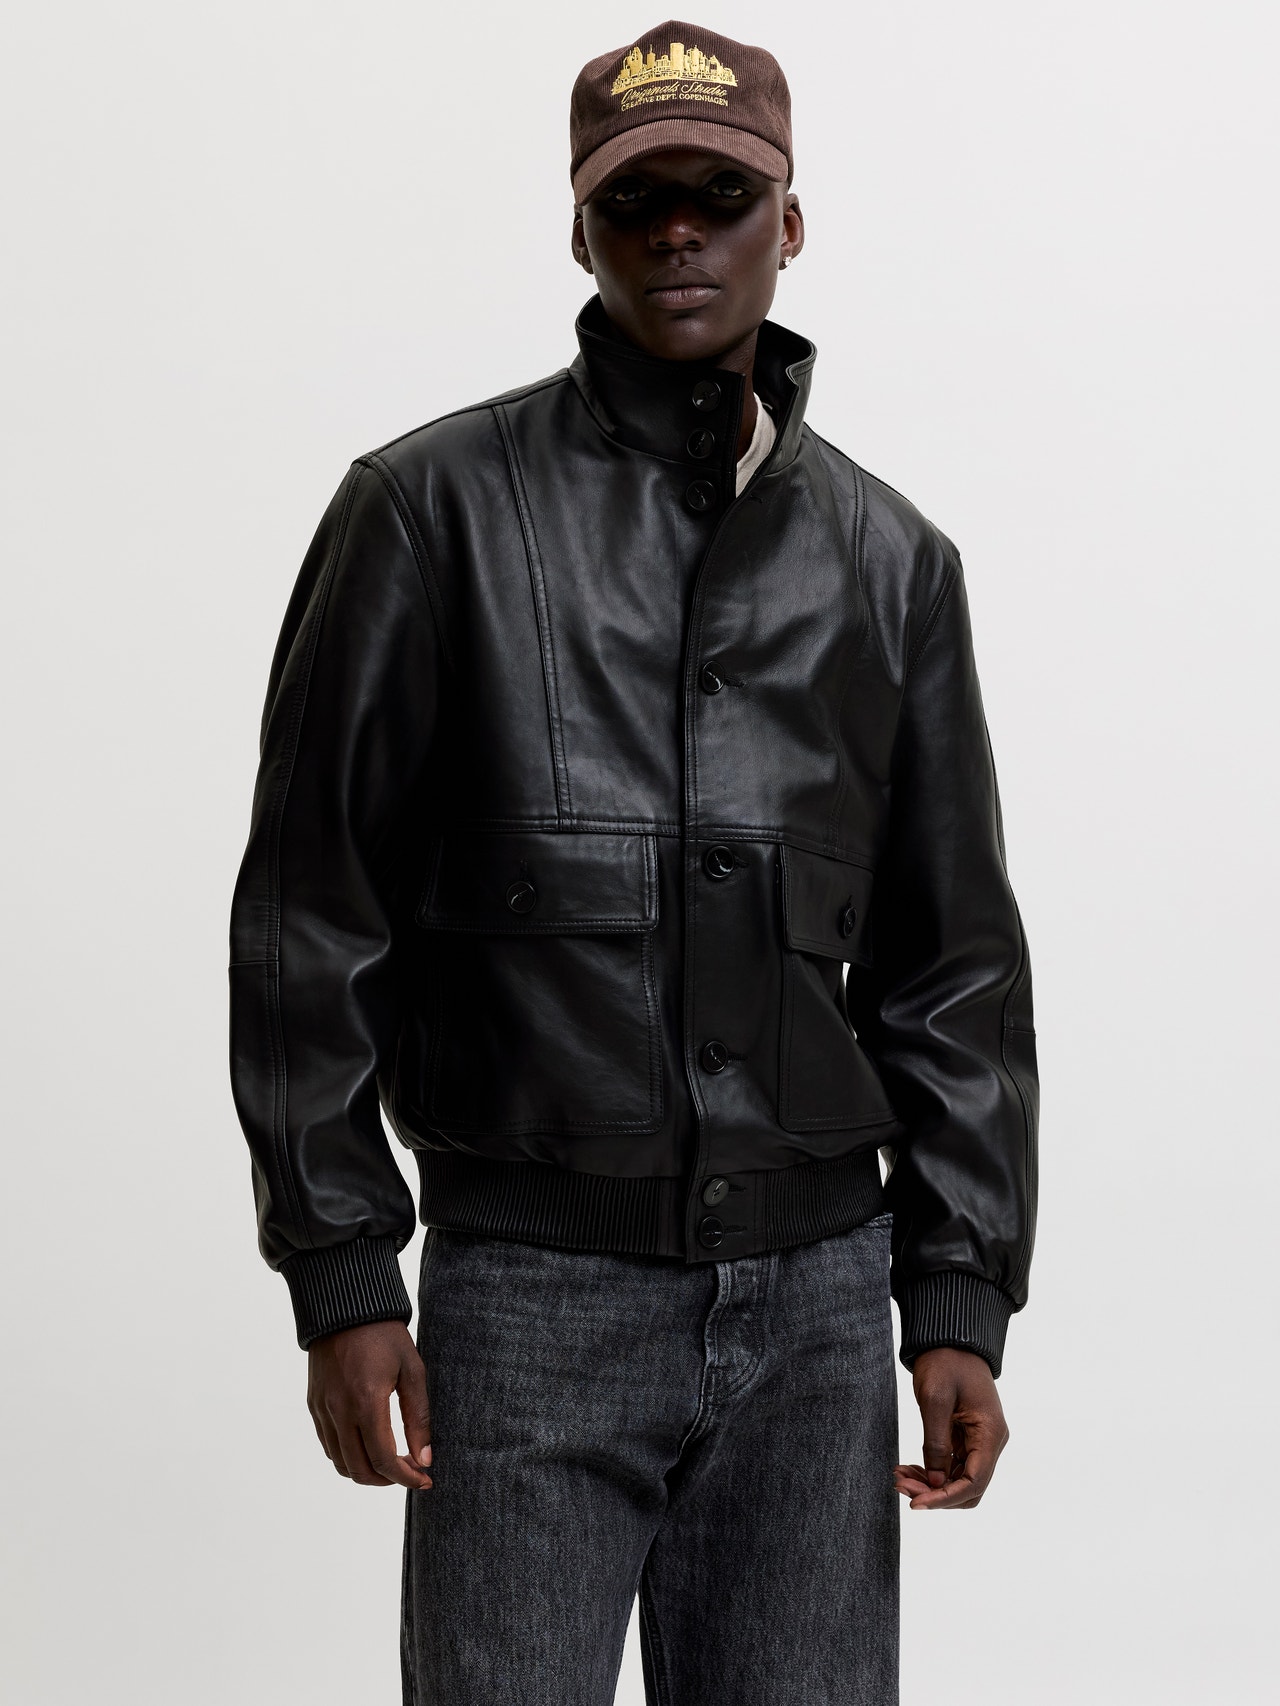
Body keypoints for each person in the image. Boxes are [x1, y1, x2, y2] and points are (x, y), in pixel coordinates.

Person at [228, 19, 1039, 1703]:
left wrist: (957, 1289)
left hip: (821, 1311)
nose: (679, 231)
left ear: (789, 223)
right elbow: (310, 922)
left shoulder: (895, 564)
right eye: (636, 199)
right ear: (581, 228)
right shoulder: (429, 513)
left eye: (721, 197)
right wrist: (344, 1270)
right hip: (530, 1300)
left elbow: (952, 961)